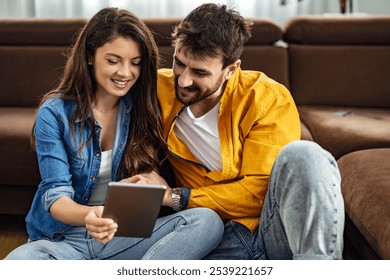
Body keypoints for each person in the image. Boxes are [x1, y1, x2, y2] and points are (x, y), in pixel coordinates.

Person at [5, 7, 223, 260]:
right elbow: (55, 195)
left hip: (121, 239)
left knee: (207, 221)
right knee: (19, 262)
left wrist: (139, 188)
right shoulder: (54, 113)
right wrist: (90, 215)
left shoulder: (144, 106)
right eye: (113, 61)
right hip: (64, 239)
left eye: (135, 63)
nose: (125, 73)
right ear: (89, 56)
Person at [153, 3, 345, 259]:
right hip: (211, 236)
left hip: (270, 230)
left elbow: (258, 193)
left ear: (231, 69)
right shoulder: (157, 88)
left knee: (306, 155)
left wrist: (177, 197)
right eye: (179, 63)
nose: (184, 80)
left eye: (200, 72)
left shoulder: (266, 99)